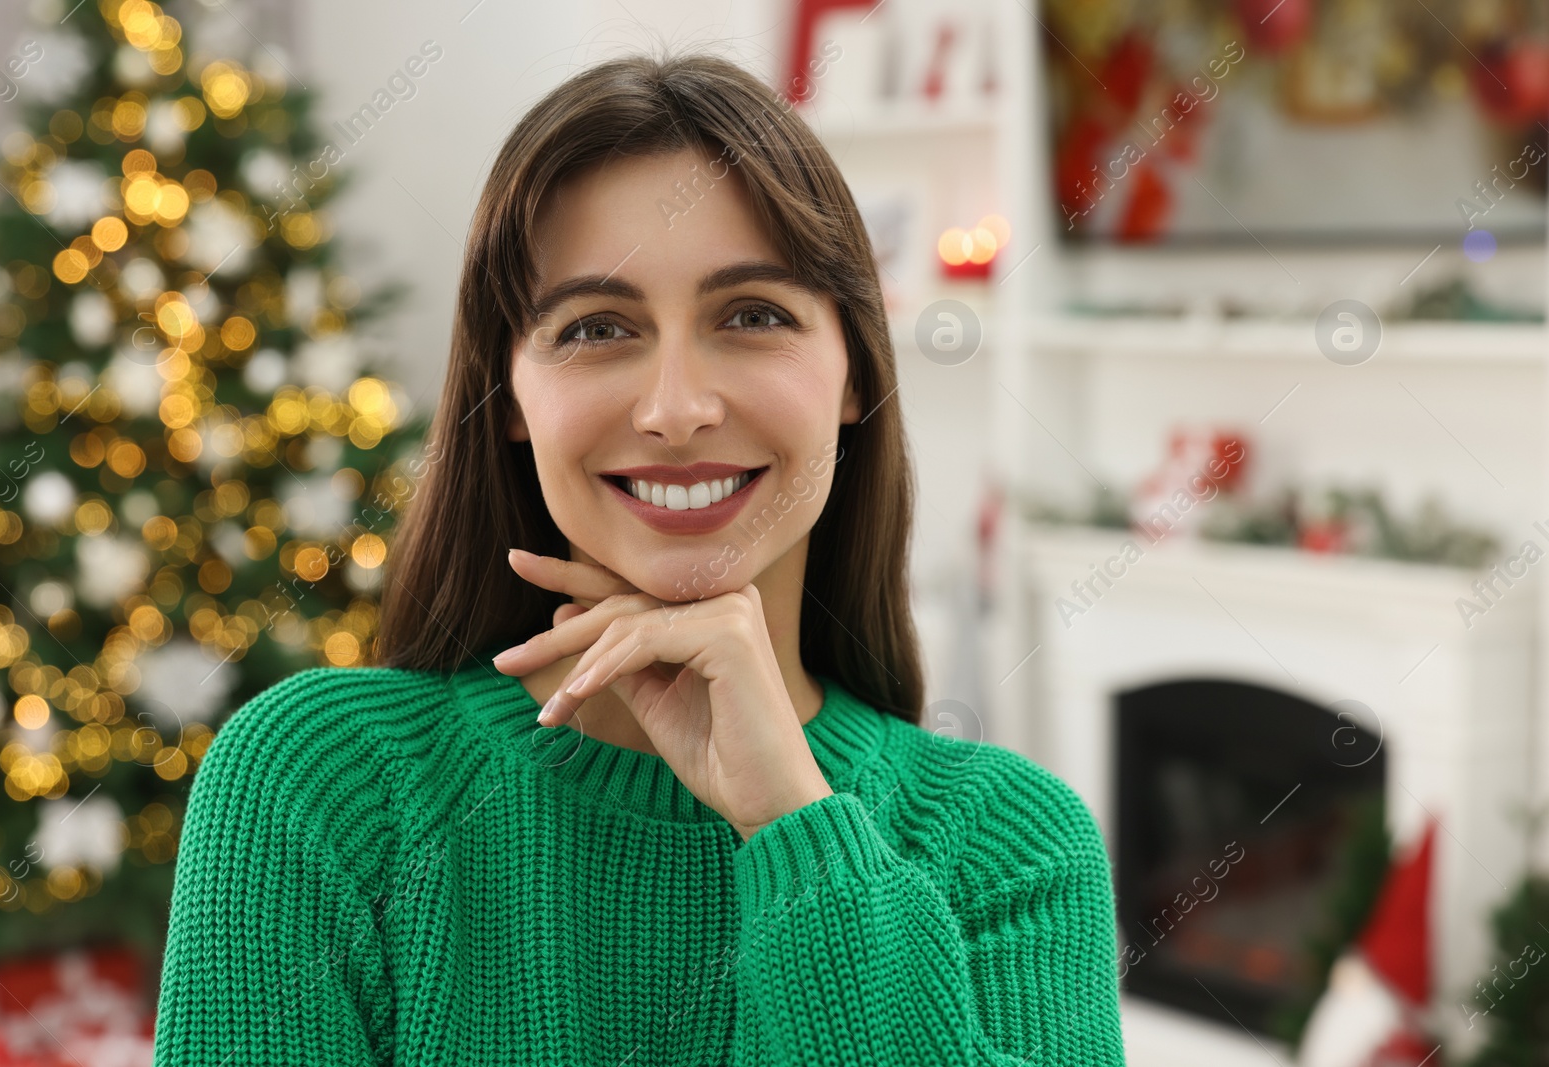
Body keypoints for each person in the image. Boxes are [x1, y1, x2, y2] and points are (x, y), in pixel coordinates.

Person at [151, 50, 1126, 1066]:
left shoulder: (1009, 843)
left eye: (752, 315)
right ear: (512, 398)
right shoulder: (320, 782)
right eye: (596, 327)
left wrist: (795, 821)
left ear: (853, 371)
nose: (675, 409)